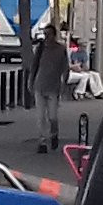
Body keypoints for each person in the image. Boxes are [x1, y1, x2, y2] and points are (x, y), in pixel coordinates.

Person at [26, 21, 70, 152]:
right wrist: (30, 81)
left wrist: (64, 83)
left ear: (54, 35)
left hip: (53, 87)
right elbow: (34, 66)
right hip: (39, 86)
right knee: (41, 117)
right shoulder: (40, 48)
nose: (47, 37)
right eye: (45, 34)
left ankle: (54, 134)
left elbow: (65, 68)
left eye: (49, 34)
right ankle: (42, 142)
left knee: (53, 117)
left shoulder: (61, 49)